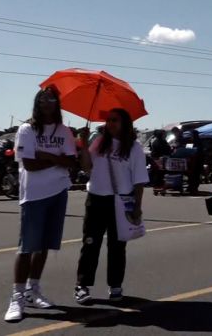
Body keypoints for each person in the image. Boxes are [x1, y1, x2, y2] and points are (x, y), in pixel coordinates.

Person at [4, 87, 77, 322]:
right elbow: (29, 164)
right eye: (43, 99)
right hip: (34, 195)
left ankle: (33, 291)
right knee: (26, 247)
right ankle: (17, 296)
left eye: (52, 99)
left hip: (59, 192)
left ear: (57, 103)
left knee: (44, 245)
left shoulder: (64, 131)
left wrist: (47, 155)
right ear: (37, 102)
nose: (47, 102)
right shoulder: (27, 129)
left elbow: (70, 162)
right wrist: (57, 160)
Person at [74, 108, 148, 304]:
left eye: (115, 120)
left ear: (124, 123)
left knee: (117, 246)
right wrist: (82, 144)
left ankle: (115, 285)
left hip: (121, 201)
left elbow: (139, 180)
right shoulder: (99, 142)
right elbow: (87, 167)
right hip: (96, 199)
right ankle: (82, 286)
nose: (111, 123)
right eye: (108, 120)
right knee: (90, 243)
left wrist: (137, 206)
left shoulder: (134, 148)